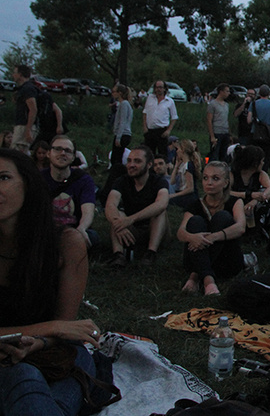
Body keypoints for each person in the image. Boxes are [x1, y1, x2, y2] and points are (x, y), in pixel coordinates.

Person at [0, 148, 101, 416]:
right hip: (5, 359)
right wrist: (53, 328)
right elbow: (63, 326)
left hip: (52, 351)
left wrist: (41, 341)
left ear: (29, 185)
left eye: (4, 178)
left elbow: (67, 330)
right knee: (22, 374)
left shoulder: (66, 245)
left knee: (70, 362)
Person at [177, 161, 246, 296]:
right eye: (205, 178)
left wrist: (213, 237)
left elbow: (240, 227)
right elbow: (180, 232)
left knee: (223, 217)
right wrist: (193, 237)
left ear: (225, 183)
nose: (209, 182)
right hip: (196, 258)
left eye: (215, 178)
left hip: (225, 261)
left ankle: (195, 276)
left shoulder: (234, 202)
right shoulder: (195, 205)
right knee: (195, 221)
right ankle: (208, 280)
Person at [105, 146, 170, 268]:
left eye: (137, 161)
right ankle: (118, 255)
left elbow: (162, 203)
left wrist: (131, 219)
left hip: (155, 229)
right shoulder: (121, 181)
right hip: (131, 230)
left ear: (149, 164)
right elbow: (110, 204)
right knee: (117, 214)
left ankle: (151, 253)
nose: (131, 165)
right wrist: (117, 224)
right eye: (129, 161)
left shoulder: (158, 181)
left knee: (160, 212)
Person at [41, 135, 98, 249]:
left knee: (93, 238)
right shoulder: (38, 178)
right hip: (45, 230)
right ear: (48, 153)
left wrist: (82, 228)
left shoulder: (83, 180)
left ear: (73, 157)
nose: (62, 153)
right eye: (57, 149)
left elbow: (88, 209)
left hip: (73, 230)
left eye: (67, 151)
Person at [230, 145, 270, 235]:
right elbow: (225, 192)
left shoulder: (261, 174)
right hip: (236, 203)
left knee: (264, 203)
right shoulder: (232, 174)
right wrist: (248, 195)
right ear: (255, 163)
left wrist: (255, 200)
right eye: (262, 161)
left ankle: (257, 231)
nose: (263, 163)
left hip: (252, 205)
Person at [247, 85, 270, 169]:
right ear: (269, 94)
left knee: (254, 158)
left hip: (255, 134)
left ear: (259, 93)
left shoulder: (253, 104)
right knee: (266, 159)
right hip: (268, 135)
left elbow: (249, 120)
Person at [142, 80, 179, 157]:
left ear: (164, 89)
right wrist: (145, 127)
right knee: (149, 154)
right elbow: (145, 112)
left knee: (162, 153)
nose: (158, 89)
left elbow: (174, 117)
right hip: (150, 130)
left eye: (160, 87)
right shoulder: (150, 98)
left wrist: (168, 130)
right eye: (156, 87)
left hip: (162, 130)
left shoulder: (169, 101)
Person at [10, 65, 39, 153]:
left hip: (24, 125)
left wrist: (28, 129)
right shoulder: (23, 89)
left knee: (17, 151)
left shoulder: (27, 89)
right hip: (22, 125)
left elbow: (33, 109)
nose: (13, 75)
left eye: (15, 73)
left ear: (20, 74)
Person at [169, 139, 201, 210]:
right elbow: (172, 181)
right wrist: (176, 166)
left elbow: (190, 188)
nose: (177, 151)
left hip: (188, 196)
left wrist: (174, 195)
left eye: (178, 149)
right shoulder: (182, 164)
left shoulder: (188, 165)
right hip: (182, 193)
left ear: (182, 150)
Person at [206, 83, 231, 163]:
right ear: (221, 92)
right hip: (217, 132)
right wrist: (212, 136)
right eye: (227, 91)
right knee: (215, 154)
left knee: (223, 155)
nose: (228, 93)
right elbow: (209, 120)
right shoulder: (213, 104)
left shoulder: (226, 105)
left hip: (225, 132)